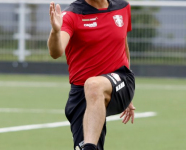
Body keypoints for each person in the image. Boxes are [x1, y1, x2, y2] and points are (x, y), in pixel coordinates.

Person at [47, 0, 135, 149]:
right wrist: (55, 31)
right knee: (92, 87)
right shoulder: (71, 15)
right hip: (81, 93)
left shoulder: (123, 7)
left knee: (94, 85)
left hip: (121, 79)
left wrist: (126, 93)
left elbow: (123, 46)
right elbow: (56, 52)